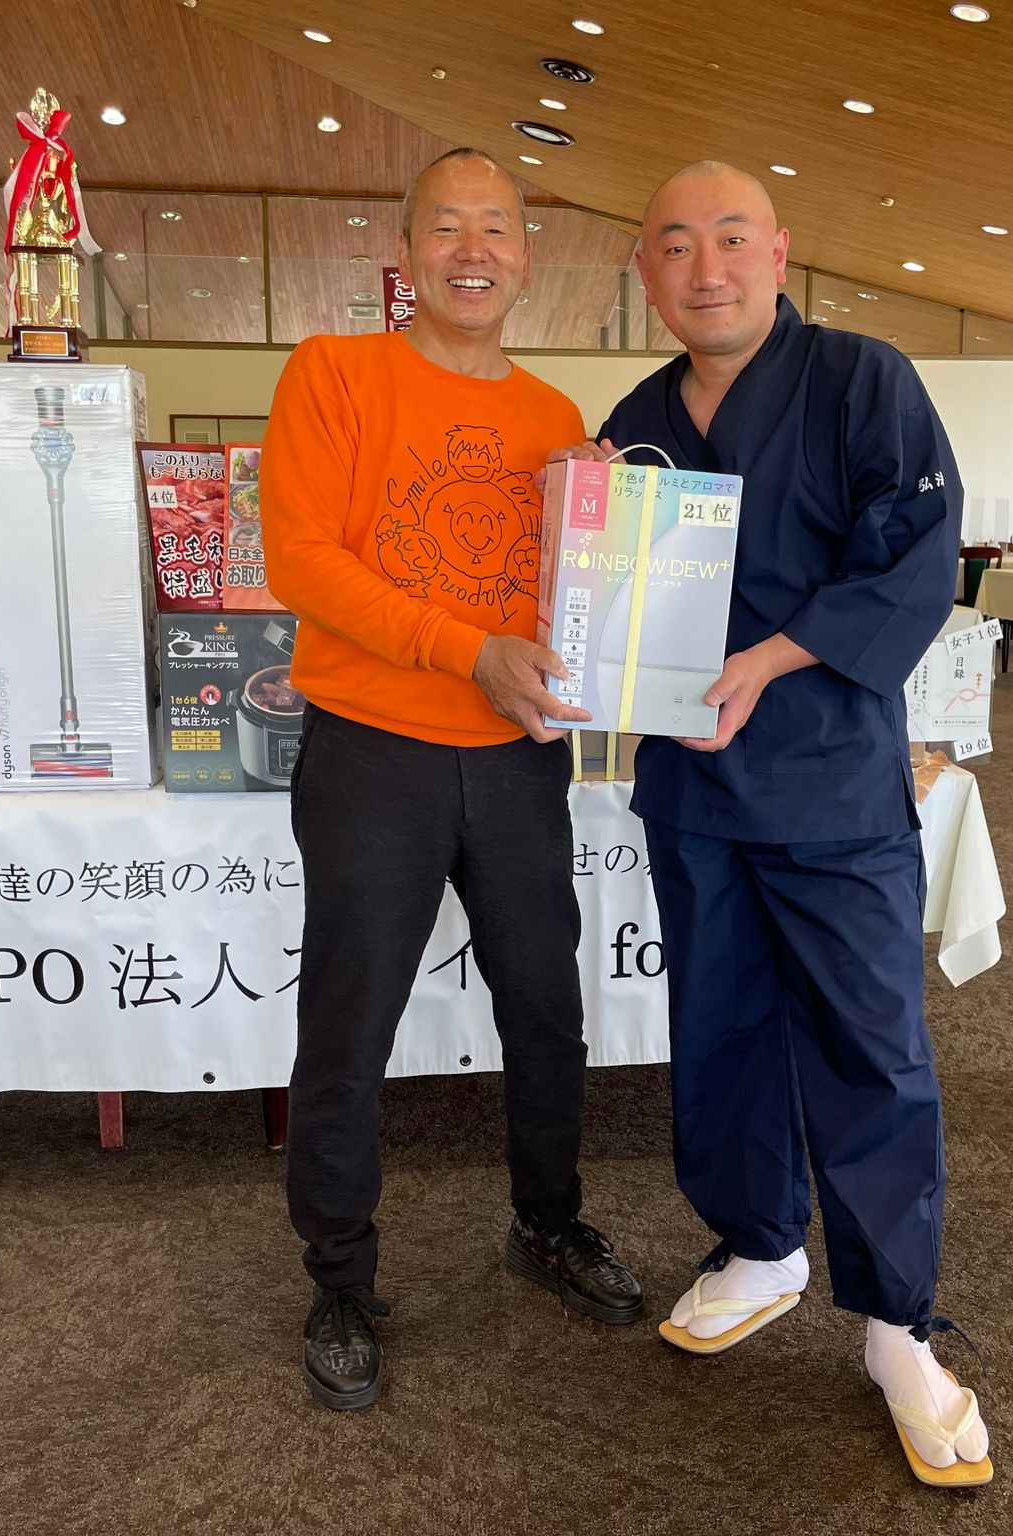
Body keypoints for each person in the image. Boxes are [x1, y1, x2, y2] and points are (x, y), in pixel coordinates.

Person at [561, 162, 992, 1487]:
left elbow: (913, 557)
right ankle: (758, 1244)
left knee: (867, 1045)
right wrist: (576, 525)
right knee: (721, 1026)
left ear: (778, 251)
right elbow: (609, 602)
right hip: (692, 787)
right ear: (645, 273)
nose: (706, 269)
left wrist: (772, 656)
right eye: (675, 245)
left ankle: (897, 1325)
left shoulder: (863, 381)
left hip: (826, 778)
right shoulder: (634, 422)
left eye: (731, 239)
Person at [263, 147, 643, 1412]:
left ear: (525, 259)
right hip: (371, 750)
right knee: (350, 1022)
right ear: (405, 251)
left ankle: (547, 1222)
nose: (471, 251)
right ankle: (339, 1275)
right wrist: (464, 649)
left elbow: (570, 602)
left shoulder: (553, 416)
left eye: (495, 229)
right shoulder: (333, 374)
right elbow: (302, 560)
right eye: (445, 227)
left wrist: (614, 540)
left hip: (517, 758)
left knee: (545, 1006)